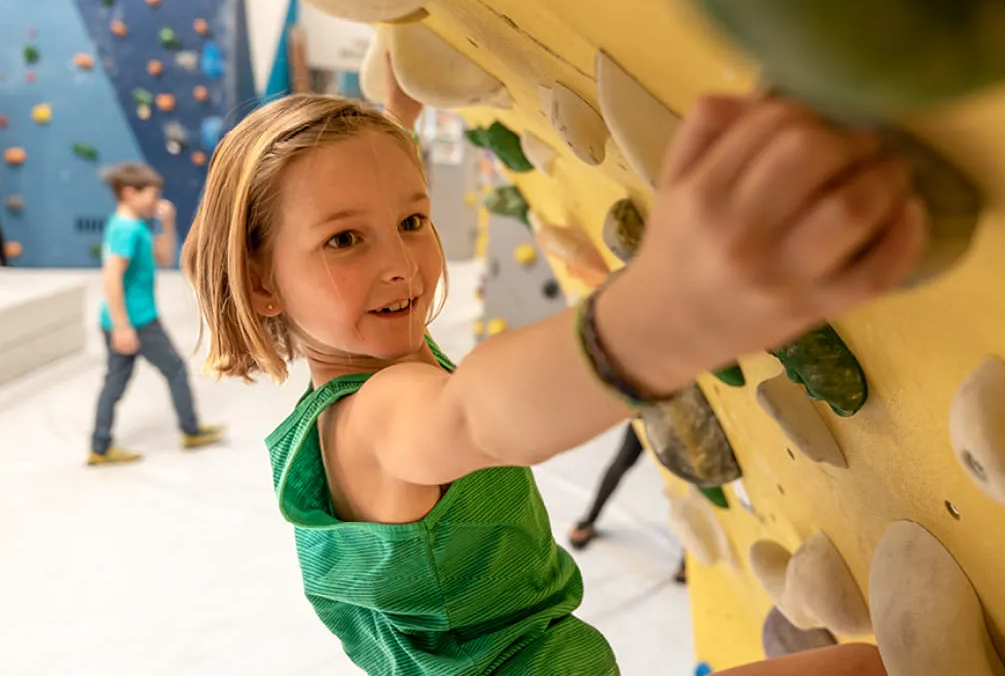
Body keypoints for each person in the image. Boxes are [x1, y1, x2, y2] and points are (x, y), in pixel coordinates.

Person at [182, 50, 927, 676]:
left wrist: (395, 112)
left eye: (412, 220)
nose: (401, 263)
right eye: (344, 240)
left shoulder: (351, 378)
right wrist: (663, 316)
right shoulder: (379, 417)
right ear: (261, 285)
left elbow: (356, 198)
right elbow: (477, 412)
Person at [87, 162, 225, 466]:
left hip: (128, 319)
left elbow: (162, 259)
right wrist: (123, 327)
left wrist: (167, 224)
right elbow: (111, 278)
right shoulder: (126, 230)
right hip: (137, 320)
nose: (157, 201)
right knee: (175, 369)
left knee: (115, 382)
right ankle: (191, 430)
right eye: (151, 195)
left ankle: (99, 446)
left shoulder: (131, 225)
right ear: (128, 193)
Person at [567, 423, 689, 584]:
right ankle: (588, 520)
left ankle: (689, 555)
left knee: (688, 483)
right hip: (654, 410)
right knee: (623, 461)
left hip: (676, 413)